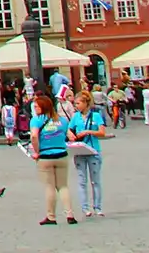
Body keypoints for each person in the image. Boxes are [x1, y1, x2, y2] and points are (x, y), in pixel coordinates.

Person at [26, 93, 76, 226]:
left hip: (45, 156)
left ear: (43, 107)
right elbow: (70, 136)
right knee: (63, 186)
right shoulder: (62, 120)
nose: (35, 108)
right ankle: (69, 214)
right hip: (61, 154)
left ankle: (51, 216)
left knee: (50, 187)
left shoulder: (36, 120)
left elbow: (34, 136)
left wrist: (36, 152)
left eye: (37, 106)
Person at [70, 90, 106, 219]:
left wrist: (88, 132)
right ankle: (85, 208)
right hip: (80, 150)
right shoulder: (75, 117)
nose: (76, 106)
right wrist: (71, 135)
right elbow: (69, 129)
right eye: (75, 103)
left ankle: (98, 207)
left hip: (93, 150)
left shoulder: (96, 116)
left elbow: (102, 132)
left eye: (78, 103)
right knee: (81, 181)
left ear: (86, 103)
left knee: (95, 181)